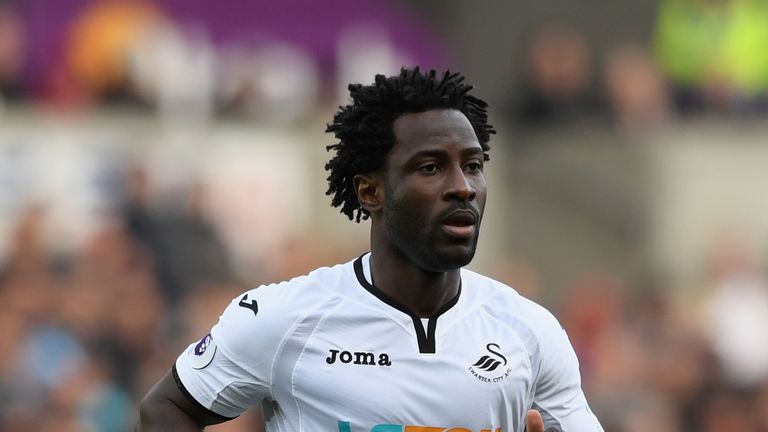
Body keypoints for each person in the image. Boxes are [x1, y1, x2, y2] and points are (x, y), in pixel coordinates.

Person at [136, 67, 604, 432]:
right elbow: (167, 409)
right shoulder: (285, 318)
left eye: (473, 165)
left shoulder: (529, 330)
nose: (463, 187)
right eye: (430, 167)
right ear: (370, 192)